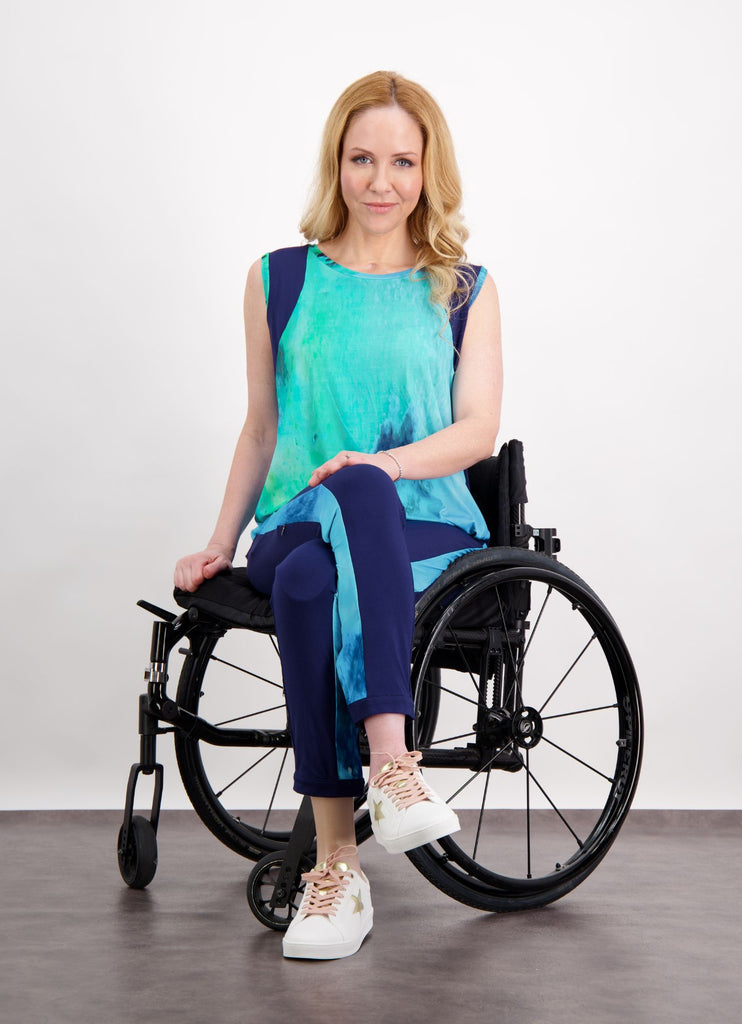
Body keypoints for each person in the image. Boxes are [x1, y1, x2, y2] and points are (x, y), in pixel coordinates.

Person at [174, 70, 502, 960]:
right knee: (327, 526)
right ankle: (393, 771)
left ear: (428, 170)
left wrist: (381, 464)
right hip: (292, 519)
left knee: (332, 557)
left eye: (402, 160)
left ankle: (336, 870)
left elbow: (478, 430)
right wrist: (215, 543)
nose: (381, 181)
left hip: (423, 527)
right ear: (337, 165)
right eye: (362, 159)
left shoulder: (461, 287)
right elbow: (261, 427)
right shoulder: (279, 281)